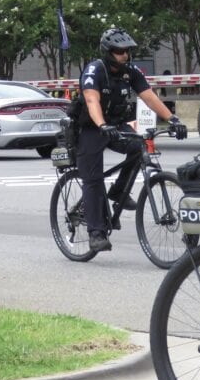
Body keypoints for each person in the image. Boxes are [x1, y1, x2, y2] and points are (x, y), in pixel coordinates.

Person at [76, 27, 187, 253]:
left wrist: (173, 119)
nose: (125, 55)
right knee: (93, 179)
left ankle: (118, 191)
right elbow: (91, 100)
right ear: (108, 51)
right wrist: (102, 125)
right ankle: (96, 233)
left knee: (139, 146)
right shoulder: (95, 70)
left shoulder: (131, 71)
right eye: (119, 51)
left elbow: (149, 96)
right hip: (91, 127)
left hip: (116, 126)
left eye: (127, 51)